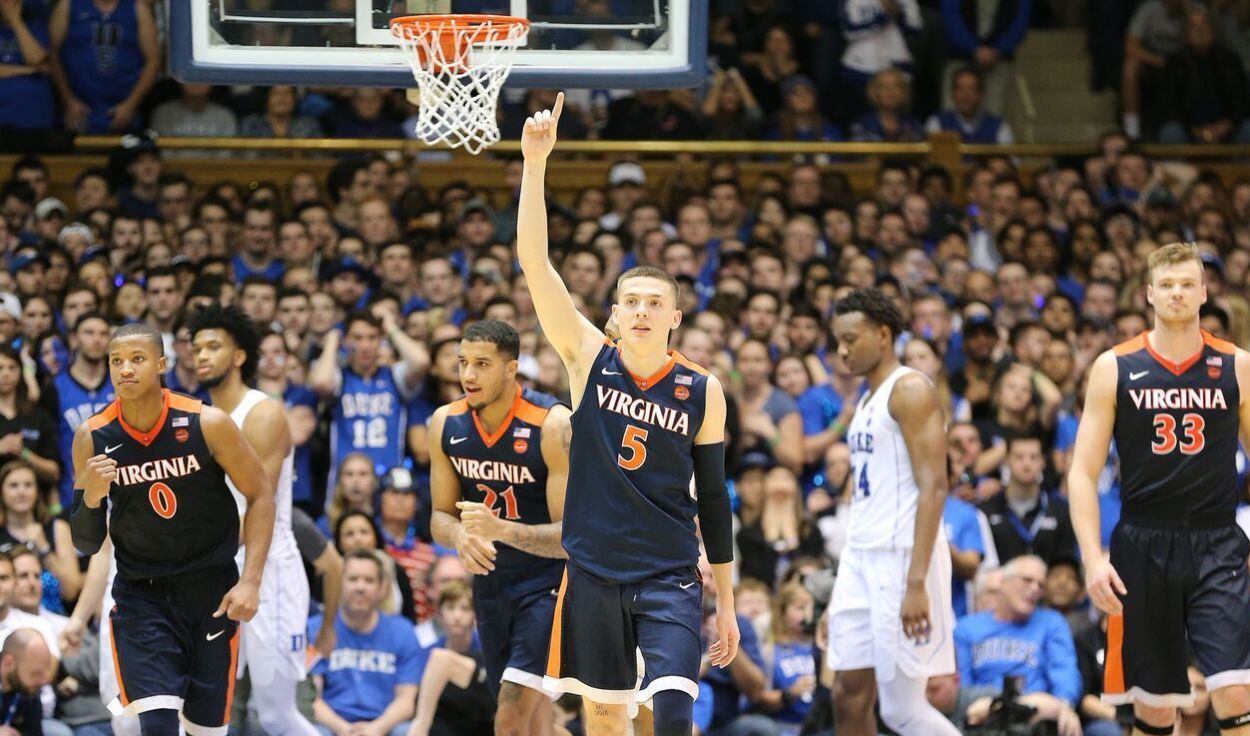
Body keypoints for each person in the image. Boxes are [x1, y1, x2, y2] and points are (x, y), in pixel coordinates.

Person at [518, 93, 740, 735]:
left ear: (675, 317)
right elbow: (535, 263)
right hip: (592, 570)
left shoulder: (704, 390)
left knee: (672, 711)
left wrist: (725, 603)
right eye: (630, 300)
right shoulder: (588, 358)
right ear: (615, 313)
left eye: (654, 302)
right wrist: (536, 164)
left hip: (669, 572)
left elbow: (716, 502)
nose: (641, 310)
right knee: (608, 720)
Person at [1069, 241, 1250, 736]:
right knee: (1154, 708)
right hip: (1143, 543)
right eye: (1167, 285)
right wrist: (1091, 557)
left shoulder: (1237, 364)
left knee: (1235, 690)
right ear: (1149, 293)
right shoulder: (1114, 366)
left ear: (1203, 292)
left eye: (1187, 284)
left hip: (1217, 540)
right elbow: (1082, 472)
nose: (1177, 293)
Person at [67, 322, 275, 735]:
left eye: (137, 359)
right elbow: (86, 541)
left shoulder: (207, 422)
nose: (125, 369)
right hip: (142, 596)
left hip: (210, 590)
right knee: (157, 725)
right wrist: (90, 495)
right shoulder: (92, 436)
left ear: (161, 364)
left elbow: (262, 494)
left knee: (204, 730)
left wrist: (251, 581)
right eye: (116, 361)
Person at [427, 320, 570, 736]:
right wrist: (460, 535)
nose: (468, 375)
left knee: (509, 716)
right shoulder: (445, 424)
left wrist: (500, 529)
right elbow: (438, 517)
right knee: (537, 725)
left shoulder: (552, 425)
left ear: (511, 368)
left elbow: (570, 538)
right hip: (490, 587)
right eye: (463, 363)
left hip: (550, 586)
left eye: (482, 364)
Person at [826, 288, 959, 736]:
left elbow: (935, 485)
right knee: (846, 692)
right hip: (861, 557)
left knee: (901, 710)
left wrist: (917, 581)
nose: (842, 350)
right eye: (838, 341)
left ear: (883, 334)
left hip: (903, 557)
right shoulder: (864, 401)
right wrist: (842, 588)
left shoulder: (910, 389)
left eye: (851, 338)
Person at [188, 303, 324, 736]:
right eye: (196, 347)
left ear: (241, 356)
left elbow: (257, 507)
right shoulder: (195, 418)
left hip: (269, 573)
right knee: (206, 713)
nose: (202, 355)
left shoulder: (262, 413)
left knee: (276, 716)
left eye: (214, 346)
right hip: (217, 569)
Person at [954, 555, 1084, 736]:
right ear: (1002, 581)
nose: (1034, 589)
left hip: (1034, 719)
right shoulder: (967, 628)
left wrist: (1064, 706)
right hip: (981, 718)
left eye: (1040, 585)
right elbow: (960, 689)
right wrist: (993, 704)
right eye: (1027, 580)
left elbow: (1065, 676)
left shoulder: (1052, 623)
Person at [309, 549, 418, 736]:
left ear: (382, 587)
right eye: (352, 579)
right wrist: (344, 730)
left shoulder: (404, 632)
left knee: (408, 731)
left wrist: (376, 729)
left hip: (385, 727)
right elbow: (312, 698)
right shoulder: (316, 629)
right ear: (339, 584)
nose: (360, 587)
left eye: (369, 580)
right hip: (333, 726)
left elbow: (406, 701)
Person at [0, 629, 54, 736]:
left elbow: (34, 732)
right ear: (8, 663)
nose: (44, 681)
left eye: (44, 672)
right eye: (36, 673)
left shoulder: (30, 690)